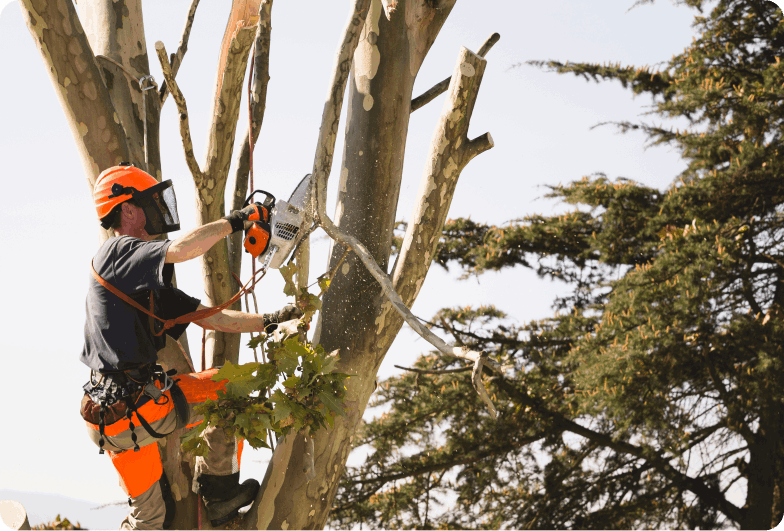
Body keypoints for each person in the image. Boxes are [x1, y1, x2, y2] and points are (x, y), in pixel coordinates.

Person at [80, 163, 295, 530]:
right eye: (148, 206)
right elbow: (180, 249)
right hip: (134, 406)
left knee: (151, 519)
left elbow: (213, 317)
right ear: (128, 209)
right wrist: (238, 220)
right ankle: (220, 492)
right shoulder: (116, 251)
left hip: (108, 419)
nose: (153, 219)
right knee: (233, 389)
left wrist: (272, 319)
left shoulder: (143, 287)